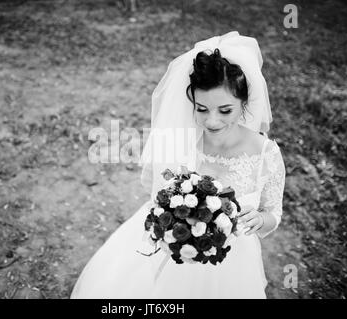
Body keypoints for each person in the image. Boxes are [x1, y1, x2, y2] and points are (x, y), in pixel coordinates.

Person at [70, 31, 286, 299]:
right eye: (202, 109)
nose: (212, 121)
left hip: (233, 263)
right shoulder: (181, 142)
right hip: (176, 251)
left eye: (225, 110)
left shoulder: (265, 152)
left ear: (244, 102)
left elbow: (273, 214)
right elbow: (160, 198)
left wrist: (260, 219)